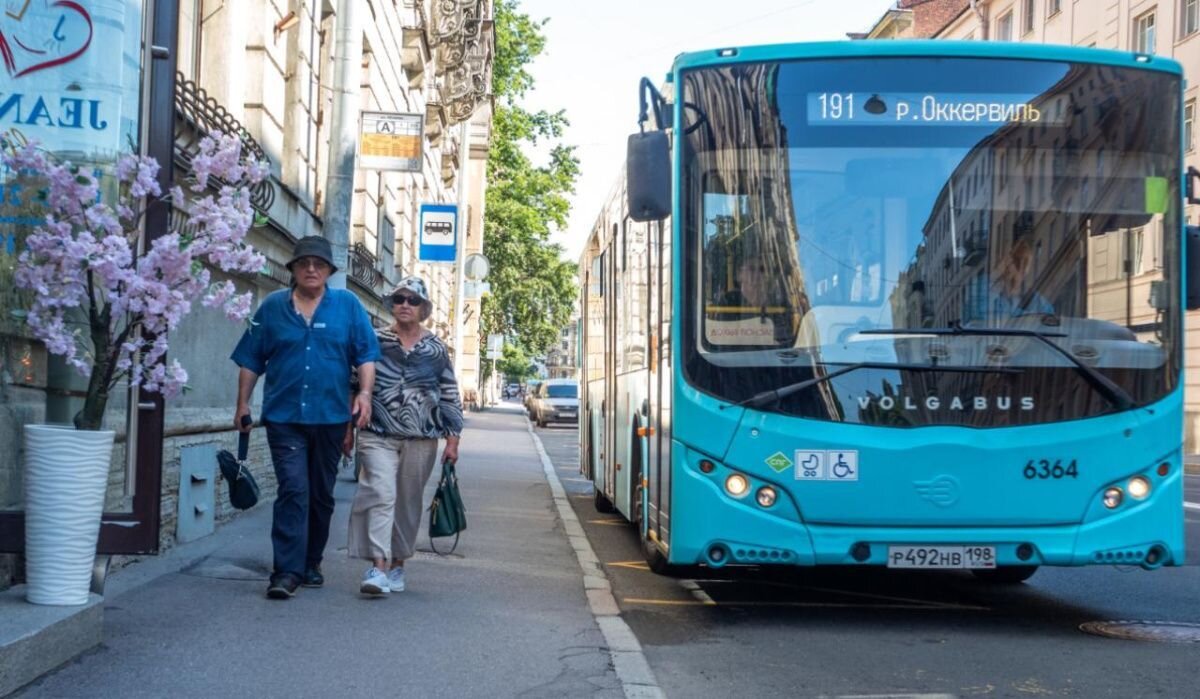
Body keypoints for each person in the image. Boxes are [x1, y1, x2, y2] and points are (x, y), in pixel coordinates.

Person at [231, 236, 380, 600]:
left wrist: (363, 394)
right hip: (285, 416)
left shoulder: (347, 306)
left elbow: (366, 355)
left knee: (320, 494)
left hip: (330, 417)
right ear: (293, 270)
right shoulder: (271, 308)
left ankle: (312, 561)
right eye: (304, 263)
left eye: (319, 264)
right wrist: (242, 404)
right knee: (293, 489)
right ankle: (286, 571)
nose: (311, 269)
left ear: (329, 271)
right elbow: (252, 359)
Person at [346, 276, 463, 596]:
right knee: (379, 492)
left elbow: (450, 393)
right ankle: (378, 567)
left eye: (412, 301)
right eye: (399, 299)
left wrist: (453, 439)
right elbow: (354, 385)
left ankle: (398, 565)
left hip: (421, 437)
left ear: (423, 308)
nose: (405, 306)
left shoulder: (435, 348)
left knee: (408, 503)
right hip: (377, 433)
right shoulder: (375, 340)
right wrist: (347, 428)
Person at [713, 256, 794, 344]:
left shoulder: (779, 303)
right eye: (751, 269)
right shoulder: (728, 301)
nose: (757, 275)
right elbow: (723, 338)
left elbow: (785, 337)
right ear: (739, 274)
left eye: (762, 269)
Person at [987, 238, 1055, 320]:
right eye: (1005, 263)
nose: (1005, 269)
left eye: (1011, 263)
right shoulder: (993, 299)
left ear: (1024, 270)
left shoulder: (1041, 306)